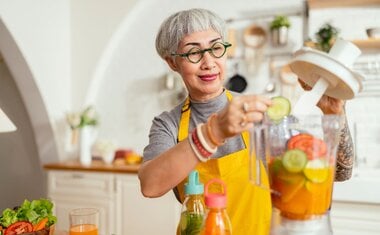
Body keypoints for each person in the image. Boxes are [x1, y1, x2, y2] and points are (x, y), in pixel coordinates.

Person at [138, 8, 354, 234]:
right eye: (194, 53)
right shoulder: (168, 124)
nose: (209, 62)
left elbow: (339, 172)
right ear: (173, 62)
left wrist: (335, 114)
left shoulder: (260, 112)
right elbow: (150, 186)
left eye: (216, 48)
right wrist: (213, 133)